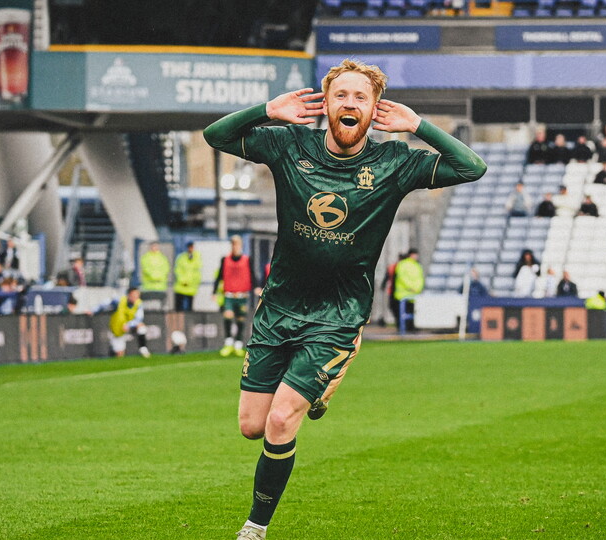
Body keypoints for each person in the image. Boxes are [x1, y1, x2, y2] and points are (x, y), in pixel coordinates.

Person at [203, 58, 486, 540]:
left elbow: (471, 166)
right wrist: (266, 111)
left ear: (375, 109)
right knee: (251, 426)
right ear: (326, 105)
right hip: (278, 309)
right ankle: (321, 386)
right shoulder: (290, 145)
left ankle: (255, 526)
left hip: (336, 316)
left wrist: (418, 126)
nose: (349, 104)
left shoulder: (393, 162)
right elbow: (216, 137)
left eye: (360, 97)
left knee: (280, 418)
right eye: (341, 96)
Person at [213, 235, 260, 357]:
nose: (235, 247)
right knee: (228, 316)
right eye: (233, 244)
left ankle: (238, 344)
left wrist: (256, 287)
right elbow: (219, 276)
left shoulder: (247, 259)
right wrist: (214, 291)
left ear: (241, 246)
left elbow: (252, 274)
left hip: (242, 295)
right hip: (229, 294)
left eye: (237, 244)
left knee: (241, 319)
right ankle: (228, 343)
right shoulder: (225, 260)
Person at [107, 287, 150, 358]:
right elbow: (104, 304)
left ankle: (143, 348)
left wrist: (129, 324)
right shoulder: (119, 301)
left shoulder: (138, 303)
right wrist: (93, 310)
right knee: (119, 355)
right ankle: (113, 351)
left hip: (130, 327)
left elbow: (139, 319)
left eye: (137, 296)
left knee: (141, 326)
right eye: (134, 296)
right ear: (129, 295)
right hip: (118, 328)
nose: (135, 298)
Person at [393, 248, 424, 331]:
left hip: (415, 294)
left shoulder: (417, 265)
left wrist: (418, 288)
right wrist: (411, 288)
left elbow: (420, 279)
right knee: (403, 312)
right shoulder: (402, 264)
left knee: (414, 312)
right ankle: (403, 329)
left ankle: (412, 328)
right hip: (404, 293)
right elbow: (402, 277)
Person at [173, 241, 202, 312]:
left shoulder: (197, 258)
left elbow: (197, 272)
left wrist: (191, 282)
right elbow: (178, 270)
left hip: (191, 287)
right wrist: (183, 281)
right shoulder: (182, 258)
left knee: (190, 308)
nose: (190, 249)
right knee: (179, 307)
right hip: (181, 286)